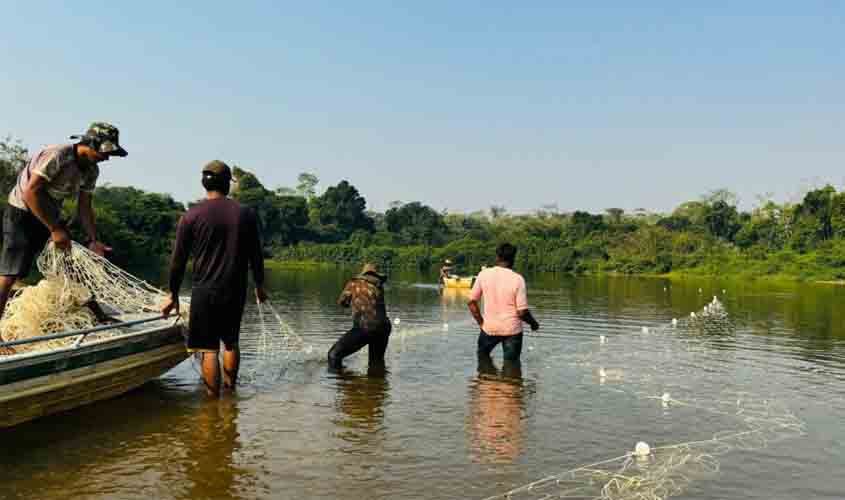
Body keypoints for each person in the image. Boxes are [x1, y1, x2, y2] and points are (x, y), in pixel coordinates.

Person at [0, 122, 127, 331]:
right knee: (10, 273)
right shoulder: (58, 155)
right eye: (105, 152)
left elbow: (85, 207)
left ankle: (99, 315)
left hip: (49, 215)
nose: (106, 158)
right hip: (22, 212)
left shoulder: (91, 171)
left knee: (72, 264)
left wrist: (94, 240)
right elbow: (31, 193)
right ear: (90, 144)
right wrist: (55, 229)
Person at [161, 160, 267, 397]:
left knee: (208, 350)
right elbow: (256, 255)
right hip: (235, 290)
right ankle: (230, 394)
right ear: (227, 185)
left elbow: (178, 261)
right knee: (230, 342)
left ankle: (212, 405)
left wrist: (173, 294)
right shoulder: (245, 214)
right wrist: (259, 285)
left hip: (204, 291)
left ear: (204, 184)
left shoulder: (190, 216)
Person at [467, 243, 539, 364]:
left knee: (483, 360)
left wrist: (481, 323)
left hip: (489, 328)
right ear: (513, 258)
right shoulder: (518, 279)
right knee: (511, 365)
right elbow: (522, 312)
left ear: (497, 257)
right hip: (512, 331)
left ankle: (485, 379)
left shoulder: (483, 274)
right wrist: (533, 323)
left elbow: (471, 303)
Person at [328, 263, 392, 370]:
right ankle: (378, 384)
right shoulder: (378, 286)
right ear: (376, 276)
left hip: (365, 327)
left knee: (333, 355)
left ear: (363, 274)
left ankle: (345, 382)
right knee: (376, 363)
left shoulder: (353, 283)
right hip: (384, 327)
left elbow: (342, 302)